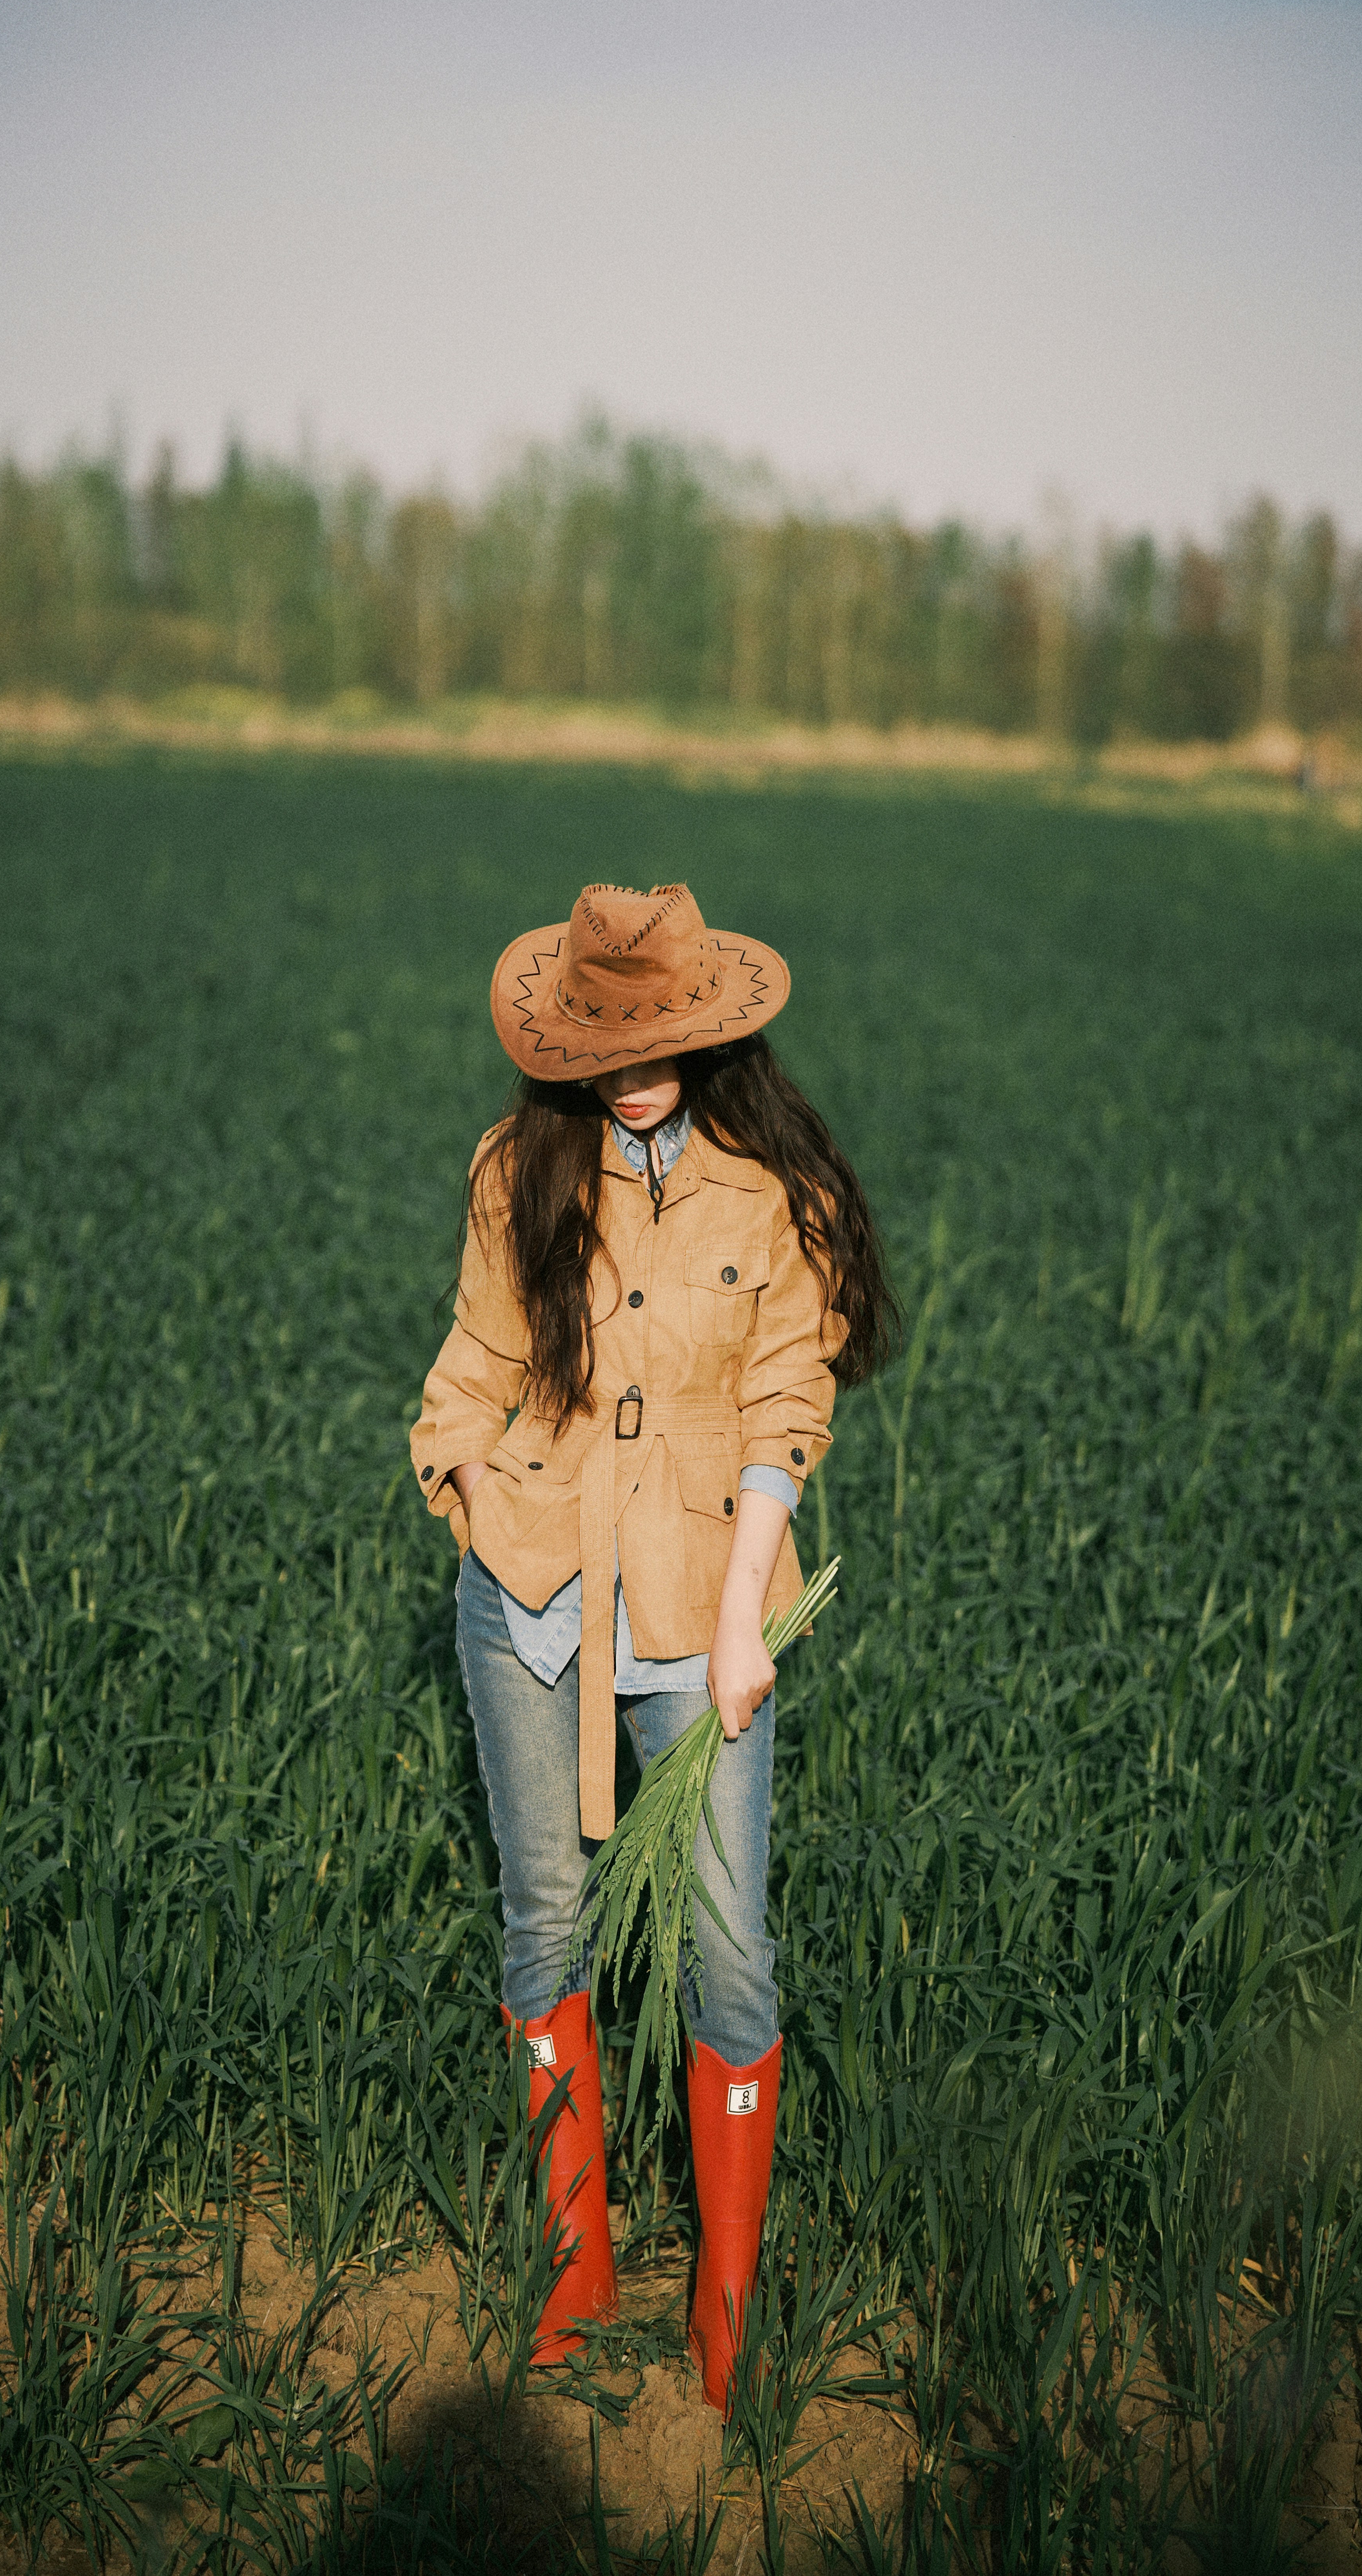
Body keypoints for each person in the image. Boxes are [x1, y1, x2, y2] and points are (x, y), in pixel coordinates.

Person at [411, 881, 895, 2408]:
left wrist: (749, 1612)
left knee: (729, 1950)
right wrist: (481, 1492)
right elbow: (474, 1364)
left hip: (702, 1609)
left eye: (659, 1038)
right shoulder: (516, 1170)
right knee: (544, 1923)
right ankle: (576, 2262)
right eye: (604, 1037)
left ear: (711, 1037)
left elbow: (782, 1415)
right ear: (564, 1042)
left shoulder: (767, 1197)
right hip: (535, 1598)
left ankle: (728, 2301)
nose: (631, 1065)